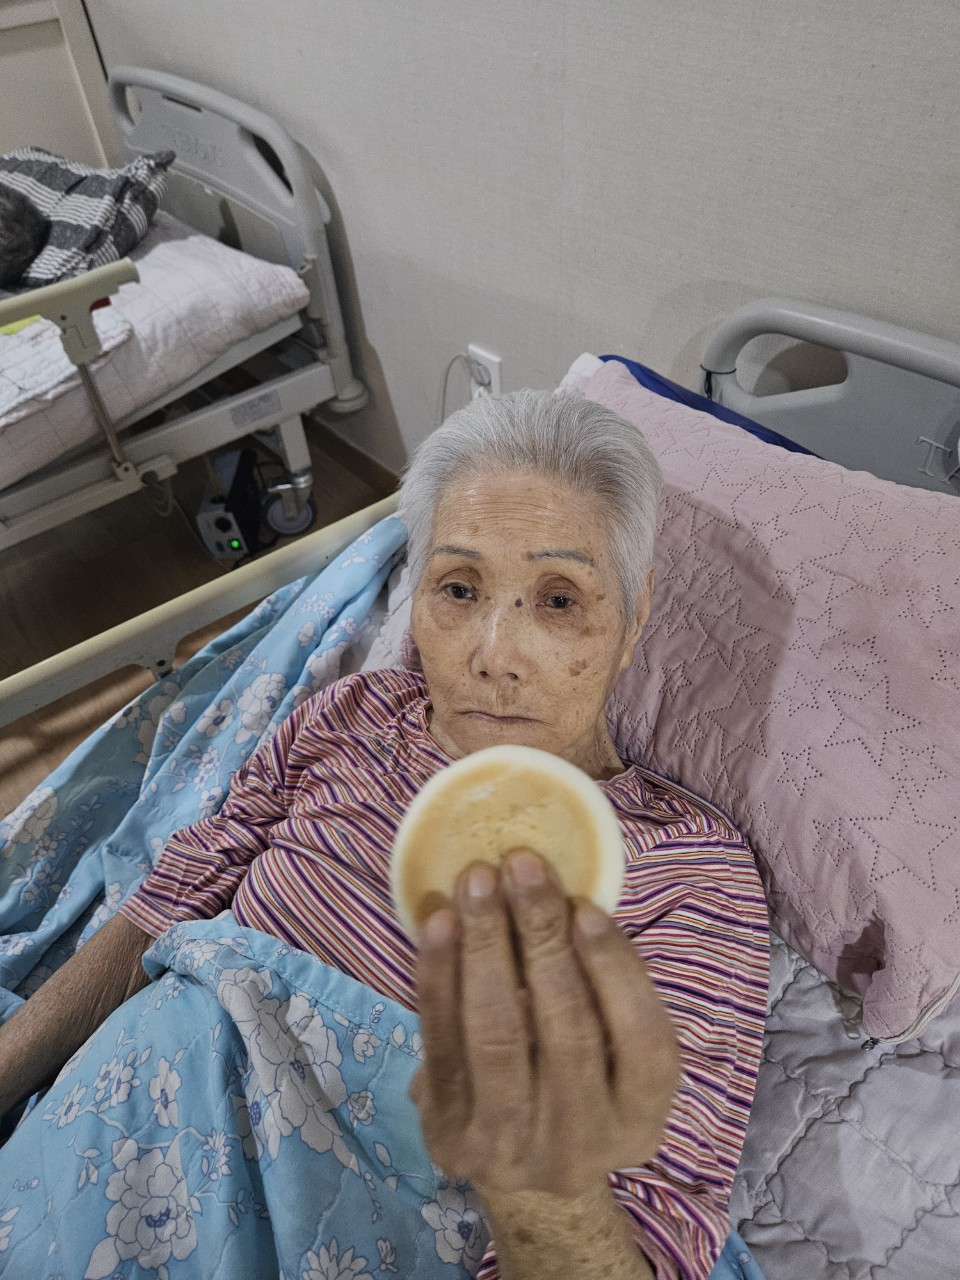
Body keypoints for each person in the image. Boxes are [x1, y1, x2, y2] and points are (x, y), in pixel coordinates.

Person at [0, 390, 770, 1280]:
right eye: (459, 588)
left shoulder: (690, 873)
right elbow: (168, 903)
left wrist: (525, 1153)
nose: (494, 653)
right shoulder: (352, 716)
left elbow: (651, 1237)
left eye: (559, 600)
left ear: (633, 621)